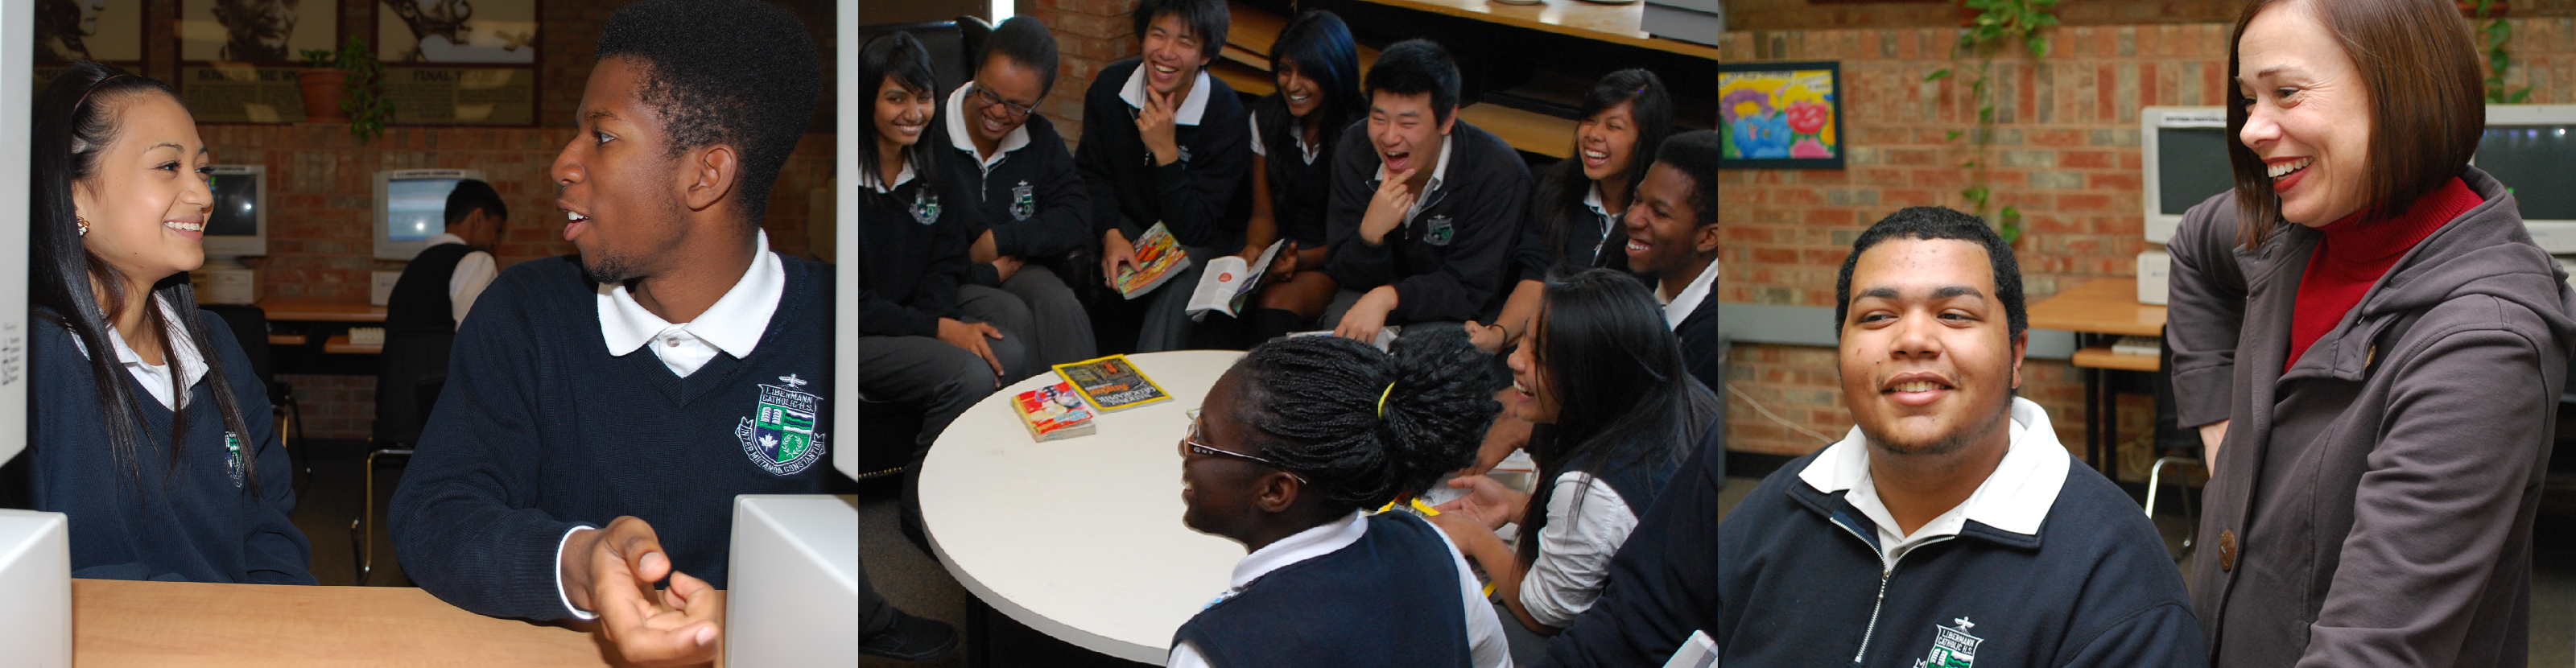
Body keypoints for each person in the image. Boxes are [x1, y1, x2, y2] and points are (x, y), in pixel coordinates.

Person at [386, 2, 882, 664]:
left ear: (705, 175)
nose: (563, 163)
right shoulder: (525, 314)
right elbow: (433, 514)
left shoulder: (837, 330)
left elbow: (868, 560)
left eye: (603, 136)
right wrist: (578, 561)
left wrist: (770, 609)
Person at [1538, 207, 2206, 667]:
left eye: (1954, 314)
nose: (1914, 340)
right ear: (1843, 350)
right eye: (1879, 316)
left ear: (2018, 352)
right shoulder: (1774, 511)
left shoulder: (2114, 580)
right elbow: (1630, 634)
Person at [2166, 0, 2576, 664]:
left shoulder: (2483, 347)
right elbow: (2193, 246)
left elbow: (2371, 651)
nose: (2250, 130)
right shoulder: (2292, 231)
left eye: (2287, 93)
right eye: (2248, 100)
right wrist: (2222, 429)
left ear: (2403, 88)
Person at [10, 63, 312, 584]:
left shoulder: (215, 347)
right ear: (74, 193)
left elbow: (268, 527)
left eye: (202, 169)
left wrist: (274, 623)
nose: (203, 195)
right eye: (168, 167)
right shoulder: (33, 366)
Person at [1169, 329, 1511, 667]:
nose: (1185, 448)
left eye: (1202, 438)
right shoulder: (1434, 547)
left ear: (1275, 491)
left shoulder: (1215, 652)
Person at [1426, 269, 1719, 663]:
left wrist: (1475, 536)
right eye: (1525, 338)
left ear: (1592, 376)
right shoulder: (1681, 399)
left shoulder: (1595, 486)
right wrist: (1519, 506)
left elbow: (1544, 612)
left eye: (1541, 356)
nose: (1515, 360)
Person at [1322, 39, 1530, 344]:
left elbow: (1469, 289)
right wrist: (1370, 237)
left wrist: (1391, 296)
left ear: (1447, 120)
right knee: (1340, 332)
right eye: (1378, 119)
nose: (1389, 137)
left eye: (1408, 123)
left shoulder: (1497, 172)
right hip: (1372, 289)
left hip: (1452, 307)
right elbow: (1343, 270)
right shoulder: (1355, 151)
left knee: (1429, 357)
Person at [1076, 0, 1253, 352]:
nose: (1166, 53)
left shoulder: (1224, 111)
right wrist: (1110, 233)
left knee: (1182, 279)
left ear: (1205, 54)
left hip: (1195, 238)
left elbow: (1198, 228)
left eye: (1185, 42)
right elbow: (1092, 174)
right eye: (1158, 35)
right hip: (1128, 224)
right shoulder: (1111, 87)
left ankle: (1148, 387)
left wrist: (1166, 154)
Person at [1469, 69, 1674, 354]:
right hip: (1542, 343)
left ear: (1644, 140)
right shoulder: (1556, 186)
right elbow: (1537, 277)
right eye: (1589, 121)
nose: (1593, 135)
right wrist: (1498, 335)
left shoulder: (1658, 218)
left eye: (1613, 127)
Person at [933, 16, 1097, 368]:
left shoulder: (1039, 139)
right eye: (988, 93)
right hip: (949, 278)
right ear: (976, 72)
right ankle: (1039, 416)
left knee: (1060, 302)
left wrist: (999, 239)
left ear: (1037, 102)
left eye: (1017, 106)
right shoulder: (931, 134)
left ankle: (1090, 411)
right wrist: (983, 268)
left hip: (1016, 267)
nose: (996, 112)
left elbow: (1076, 214)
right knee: (1010, 316)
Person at [1233, 10, 1365, 344]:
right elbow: (1263, 213)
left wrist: (1300, 260)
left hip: (1336, 258)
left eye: (1308, 73)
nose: (1293, 85)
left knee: (1275, 305)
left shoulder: (1362, 132)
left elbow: (1357, 237)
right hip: (1281, 252)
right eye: (1285, 70)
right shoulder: (1265, 117)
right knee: (1223, 308)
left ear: (1334, 73)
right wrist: (1255, 250)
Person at [388, 178, 506, 332]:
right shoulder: (477, 261)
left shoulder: (416, 265)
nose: (494, 241)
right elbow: (474, 339)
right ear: (478, 217)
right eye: (496, 229)